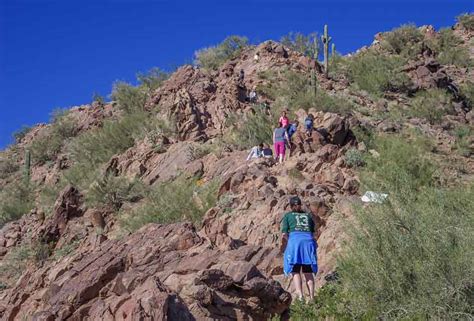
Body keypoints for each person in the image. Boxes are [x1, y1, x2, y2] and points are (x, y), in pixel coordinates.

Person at [280, 196, 318, 302]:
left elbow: (284, 234)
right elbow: (313, 233)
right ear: (300, 205)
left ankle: (300, 297)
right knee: (308, 271)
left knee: (295, 271)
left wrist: (290, 241)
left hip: (295, 242)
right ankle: (312, 297)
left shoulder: (288, 216)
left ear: (291, 206)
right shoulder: (308, 216)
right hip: (308, 242)